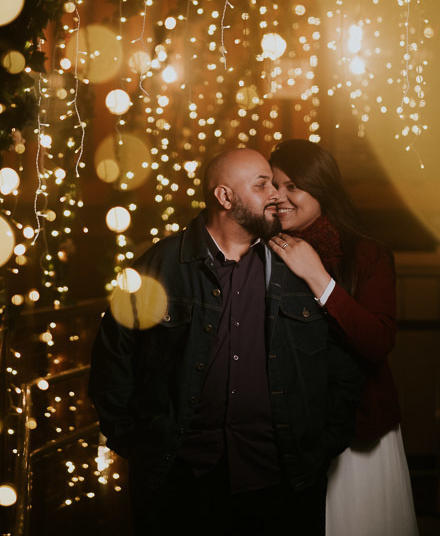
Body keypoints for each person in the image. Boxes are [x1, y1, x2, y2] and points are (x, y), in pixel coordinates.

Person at [89, 148, 364, 536]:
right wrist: (137, 444)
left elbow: (341, 358)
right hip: (181, 483)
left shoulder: (299, 264)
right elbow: (111, 362)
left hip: (281, 480)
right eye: (261, 184)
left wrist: (323, 443)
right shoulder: (158, 266)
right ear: (225, 197)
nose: (276, 195)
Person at [268, 138, 419, 536]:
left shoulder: (367, 255)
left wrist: (317, 277)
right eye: (273, 186)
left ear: (322, 188)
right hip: (286, 430)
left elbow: (377, 342)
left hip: (358, 429)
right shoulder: (263, 252)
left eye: (292, 186)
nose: (279, 197)